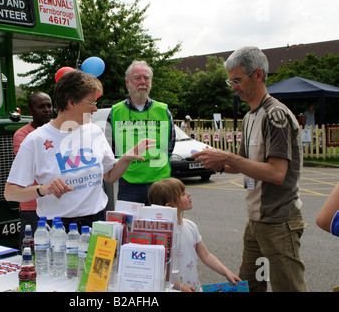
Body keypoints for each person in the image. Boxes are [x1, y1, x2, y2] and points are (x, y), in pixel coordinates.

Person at [192, 46, 308, 292]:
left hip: (279, 221)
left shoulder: (275, 115)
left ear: (257, 75)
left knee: (289, 288)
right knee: (250, 286)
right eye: (230, 81)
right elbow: (246, 161)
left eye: (237, 80)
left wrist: (228, 158)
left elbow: (277, 174)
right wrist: (218, 163)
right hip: (256, 221)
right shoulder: (250, 116)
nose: (233, 86)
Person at [4, 70, 155, 231]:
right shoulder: (36, 140)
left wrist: (127, 157)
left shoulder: (94, 131)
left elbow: (110, 175)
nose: (95, 109)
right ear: (71, 102)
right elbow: (10, 193)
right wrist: (43, 189)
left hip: (98, 223)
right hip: (59, 228)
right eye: (91, 103)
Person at [148, 177, 241, 292]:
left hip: (194, 288)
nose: (189, 194)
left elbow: (206, 255)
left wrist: (226, 272)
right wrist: (179, 287)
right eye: (183, 194)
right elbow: (155, 270)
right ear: (170, 205)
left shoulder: (190, 226)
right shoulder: (158, 234)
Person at [107, 60, 175, 205]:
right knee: (128, 226)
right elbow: (110, 148)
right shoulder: (116, 112)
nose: (143, 82)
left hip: (161, 182)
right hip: (128, 183)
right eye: (137, 78)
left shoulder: (163, 110)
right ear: (128, 82)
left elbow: (170, 145)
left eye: (147, 78)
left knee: (160, 226)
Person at [13, 91, 52, 248]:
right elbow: (32, 165)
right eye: (41, 106)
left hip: (55, 204)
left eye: (49, 105)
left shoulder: (60, 131)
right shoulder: (22, 135)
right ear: (30, 110)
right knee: (33, 253)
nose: (47, 110)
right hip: (32, 207)